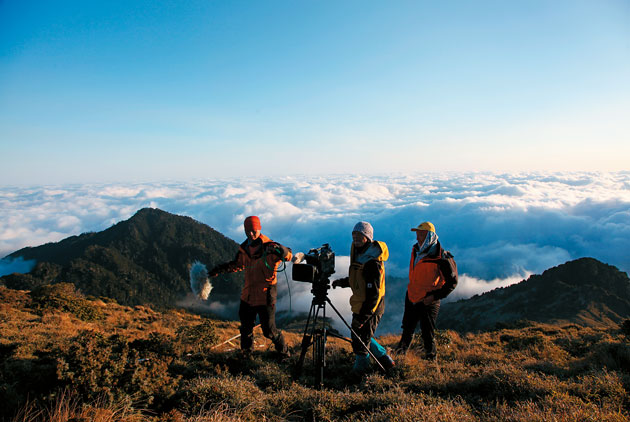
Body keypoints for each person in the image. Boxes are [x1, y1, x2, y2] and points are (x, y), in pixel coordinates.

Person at [209, 216, 292, 359]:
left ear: (259, 228)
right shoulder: (244, 249)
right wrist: (218, 270)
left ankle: (284, 353)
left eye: (254, 231)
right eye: (248, 231)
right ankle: (247, 356)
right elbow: (236, 265)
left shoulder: (270, 247)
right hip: (247, 295)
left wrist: (280, 250)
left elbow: (288, 256)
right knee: (246, 328)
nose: (251, 234)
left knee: (269, 331)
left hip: (266, 295)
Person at [332, 221, 395, 373]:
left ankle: (361, 372)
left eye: (360, 235)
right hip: (361, 304)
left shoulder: (373, 262)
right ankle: (387, 361)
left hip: (371, 307)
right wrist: (342, 282)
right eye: (354, 235)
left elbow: (374, 294)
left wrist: (364, 316)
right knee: (360, 335)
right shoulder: (360, 255)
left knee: (360, 342)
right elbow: (359, 280)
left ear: (367, 237)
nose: (356, 238)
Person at [395, 221, 458, 360]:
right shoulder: (416, 250)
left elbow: (452, 282)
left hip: (428, 299)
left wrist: (434, 296)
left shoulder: (441, 257)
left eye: (421, 234)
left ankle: (431, 360)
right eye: (417, 233)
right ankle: (400, 357)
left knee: (427, 332)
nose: (417, 237)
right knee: (407, 328)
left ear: (430, 235)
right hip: (412, 295)